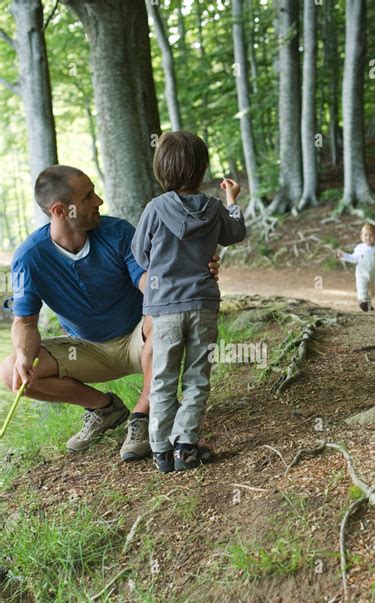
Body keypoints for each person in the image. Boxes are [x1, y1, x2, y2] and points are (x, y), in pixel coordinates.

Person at [0, 165, 220, 461]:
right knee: (11, 372)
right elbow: (24, 321)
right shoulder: (28, 258)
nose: (99, 200)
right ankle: (104, 409)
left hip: (140, 340)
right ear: (61, 210)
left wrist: (190, 271)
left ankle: (143, 414)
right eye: (88, 196)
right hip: (86, 350)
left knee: (164, 314)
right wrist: (24, 355)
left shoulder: (118, 232)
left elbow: (150, 283)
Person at [131, 131, 246, 473]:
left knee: (163, 378)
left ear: (161, 169)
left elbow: (140, 253)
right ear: (201, 169)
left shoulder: (154, 209)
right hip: (202, 306)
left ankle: (161, 451)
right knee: (197, 376)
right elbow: (235, 233)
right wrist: (231, 198)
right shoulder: (213, 208)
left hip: (164, 309)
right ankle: (186, 447)